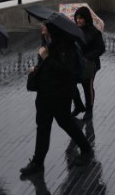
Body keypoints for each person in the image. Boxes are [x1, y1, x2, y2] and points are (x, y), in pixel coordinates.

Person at [20, 21, 93, 176]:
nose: (42, 27)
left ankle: (86, 150)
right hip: (44, 93)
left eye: (45, 25)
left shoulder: (66, 46)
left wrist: (47, 58)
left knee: (66, 122)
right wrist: (37, 68)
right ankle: (37, 162)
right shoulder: (46, 42)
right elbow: (46, 66)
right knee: (42, 127)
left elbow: (67, 71)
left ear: (53, 29)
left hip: (60, 94)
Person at [71, 6, 105, 120]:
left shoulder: (94, 32)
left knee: (87, 86)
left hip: (90, 64)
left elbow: (101, 48)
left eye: (81, 18)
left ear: (86, 18)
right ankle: (79, 105)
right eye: (77, 18)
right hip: (76, 63)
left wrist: (88, 57)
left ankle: (89, 109)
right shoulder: (75, 30)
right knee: (70, 82)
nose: (78, 20)